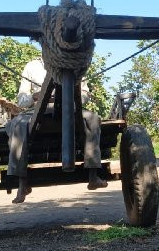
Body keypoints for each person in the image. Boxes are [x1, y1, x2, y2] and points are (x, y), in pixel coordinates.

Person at [6, 58, 107, 203]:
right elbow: (21, 100)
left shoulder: (75, 63)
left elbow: (85, 94)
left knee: (93, 119)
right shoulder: (31, 66)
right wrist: (34, 97)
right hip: (36, 111)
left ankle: (93, 176)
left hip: (71, 108)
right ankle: (22, 184)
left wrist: (75, 96)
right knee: (18, 126)